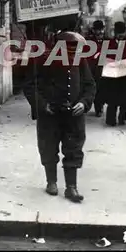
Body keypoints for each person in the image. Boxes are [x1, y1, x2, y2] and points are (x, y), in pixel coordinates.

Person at [22, 30, 96, 203]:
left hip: (73, 114)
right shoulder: (41, 60)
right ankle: (51, 182)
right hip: (50, 113)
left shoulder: (80, 61)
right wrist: (42, 105)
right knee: (48, 146)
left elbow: (90, 85)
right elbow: (30, 86)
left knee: (74, 149)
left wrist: (84, 103)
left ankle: (71, 187)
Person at [99, 22, 126, 126]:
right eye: (119, 33)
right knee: (112, 99)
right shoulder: (109, 43)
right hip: (112, 75)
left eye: (122, 33)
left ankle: (122, 118)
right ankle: (110, 120)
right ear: (115, 33)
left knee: (124, 99)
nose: (120, 35)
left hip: (125, 75)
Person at [85, 20, 106, 117]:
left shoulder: (107, 40)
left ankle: (100, 106)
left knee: (102, 89)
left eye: (101, 30)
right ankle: (98, 108)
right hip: (93, 69)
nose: (100, 32)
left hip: (105, 68)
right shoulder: (89, 41)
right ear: (94, 31)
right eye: (98, 30)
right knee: (95, 88)